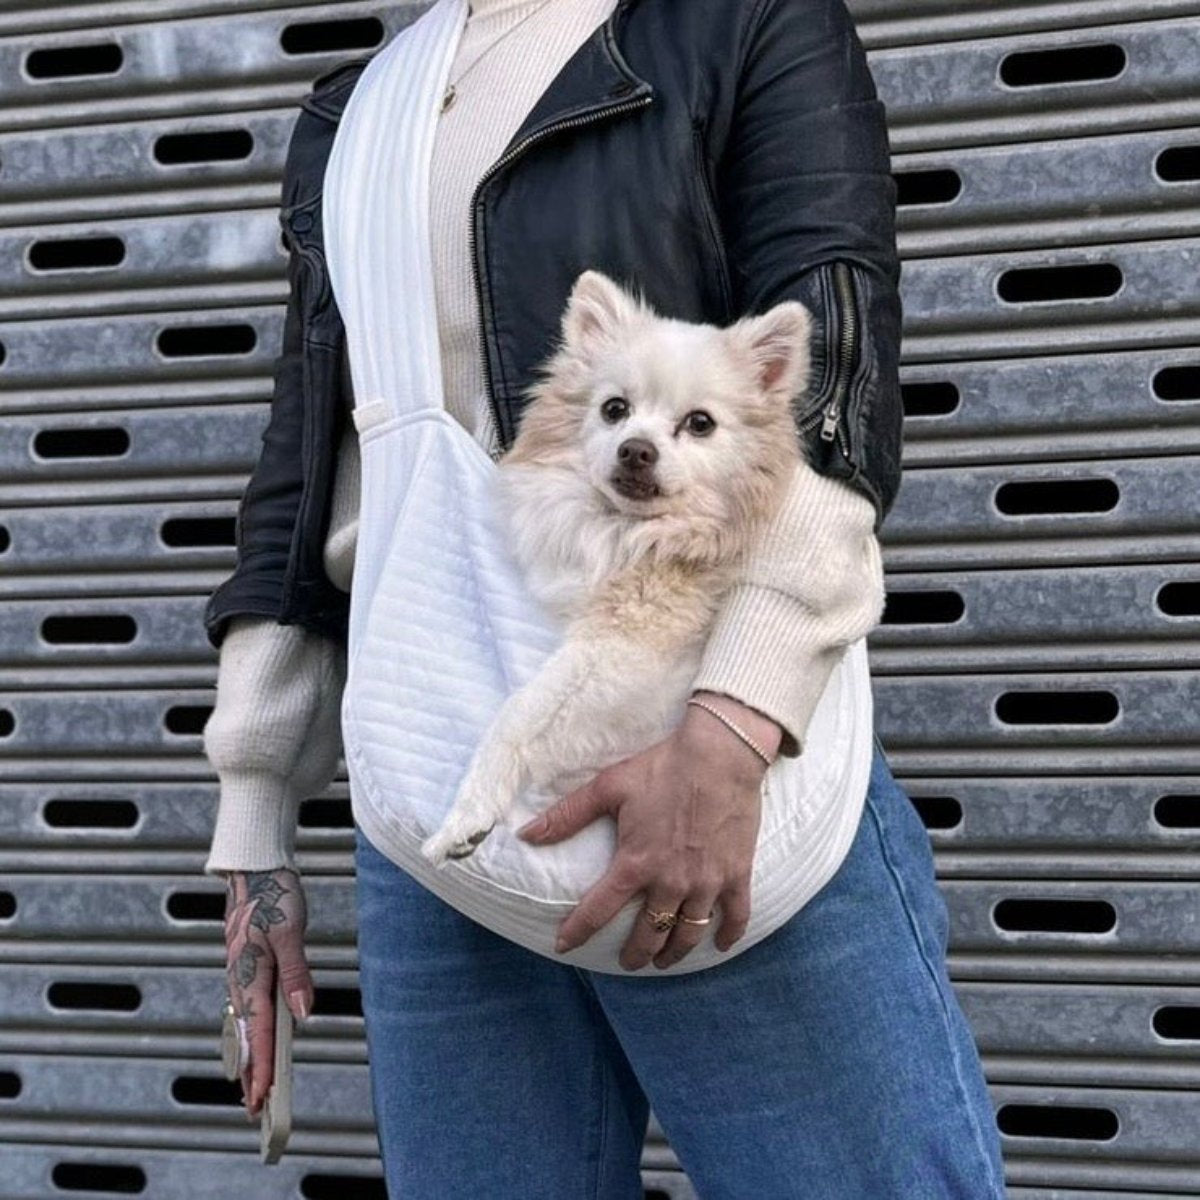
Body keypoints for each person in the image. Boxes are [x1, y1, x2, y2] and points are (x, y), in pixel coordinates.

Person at [202, 0, 1008, 1195]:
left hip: (711, 766)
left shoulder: (744, 24)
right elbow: (316, 459)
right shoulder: (358, 108)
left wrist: (735, 727)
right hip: (438, 806)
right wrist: (257, 810)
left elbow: (829, 393)